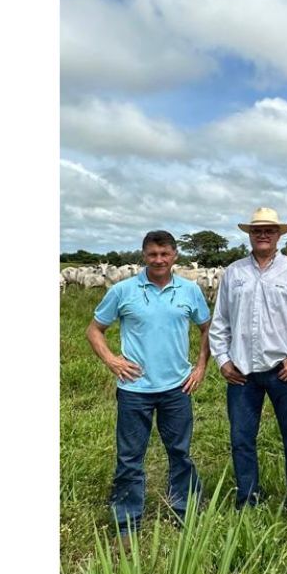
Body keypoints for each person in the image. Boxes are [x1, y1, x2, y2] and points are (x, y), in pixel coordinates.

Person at [85, 230, 212, 546]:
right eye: (153, 254)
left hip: (176, 388)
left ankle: (185, 511)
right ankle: (127, 523)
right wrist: (113, 361)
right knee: (130, 457)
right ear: (144, 255)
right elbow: (94, 330)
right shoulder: (123, 290)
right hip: (134, 389)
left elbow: (207, 327)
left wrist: (200, 367)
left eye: (164, 254)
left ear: (174, 255)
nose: (159, 260)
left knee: (180, 452)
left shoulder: (190, 290)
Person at [209, 207, 287, 510]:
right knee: (241, 438)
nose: (263, 234)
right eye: (257, 230)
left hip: (283, 370)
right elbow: (220, 321)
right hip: (242, 372)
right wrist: (222, 359)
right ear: (249, 234)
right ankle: (247, 497)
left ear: (278, 234)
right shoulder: (234, 272)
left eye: (269, 230)